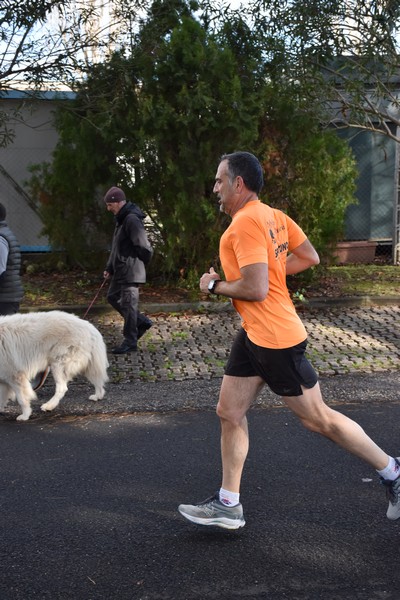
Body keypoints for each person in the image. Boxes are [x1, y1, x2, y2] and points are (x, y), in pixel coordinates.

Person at [178, 151, 400, 530]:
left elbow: (256, 287)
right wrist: (269, 273)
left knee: (320, 420)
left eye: (219, 180)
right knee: (229, 412)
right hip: (254, 335)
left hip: (275, 339)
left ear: (238, 183)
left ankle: (392, 471)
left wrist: (214, 284)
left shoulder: (244, 224)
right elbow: (308, 256)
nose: (214, 187)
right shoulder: (273, 216)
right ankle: (228, 505)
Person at [0, 202, 49, 391]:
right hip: (6, 296)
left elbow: (0, 269)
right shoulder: (4, 234)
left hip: (4, 298)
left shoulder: (1, 238)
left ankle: (38, 367)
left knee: (10, 343)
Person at [103, 186, 153, 354]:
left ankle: (130, 341)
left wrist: (138, 263)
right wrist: (110, 267)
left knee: (129, 305)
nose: (108, 208)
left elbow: (144, 246)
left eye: (110, 205)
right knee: (112, 297)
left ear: (118, 202)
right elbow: (116, 247)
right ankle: (141, 322)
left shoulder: (131, 219)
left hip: (131, 270)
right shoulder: (121, 219)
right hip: (120, 270)